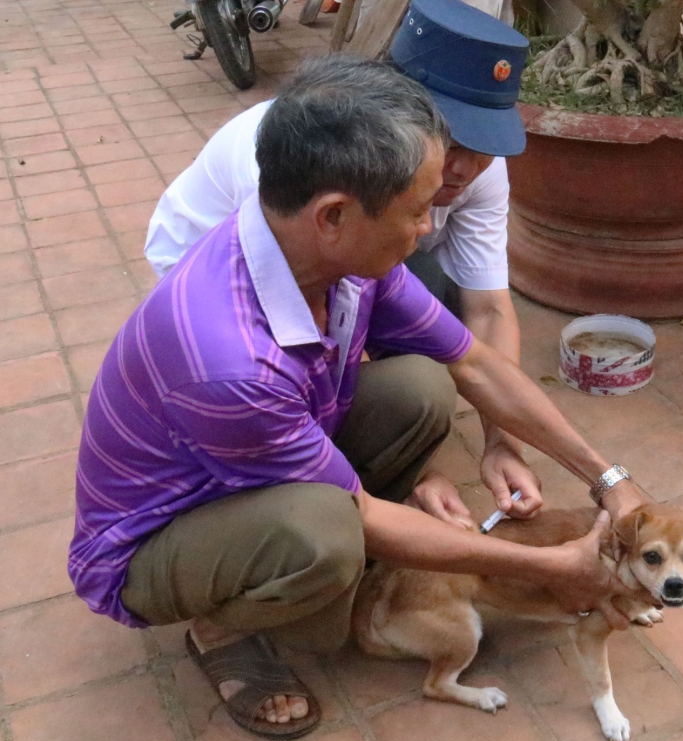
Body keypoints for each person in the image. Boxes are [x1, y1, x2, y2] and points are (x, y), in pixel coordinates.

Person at [70, 56, 645, 741]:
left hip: (249, 456)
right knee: (328, 537)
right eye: (416, 211)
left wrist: (609, 479)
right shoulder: (229, 362)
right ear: (335, 215)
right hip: (153, 539)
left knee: (422, 386)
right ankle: (221, 628)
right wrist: (548, 568)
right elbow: (357, 514)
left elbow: (474, 361)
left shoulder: (331, 258)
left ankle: (342, 533)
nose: (428, 229)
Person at [144, 0, 536, 530]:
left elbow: (488, 308)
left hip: (361, 254)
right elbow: (321, 322)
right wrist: (422, 470)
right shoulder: (295, 161)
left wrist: (504, 442)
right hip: (224, 280)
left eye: (485, 143)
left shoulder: (472, 171)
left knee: (434, 302)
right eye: (452, 139)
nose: (464, 167)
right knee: (292, 435)